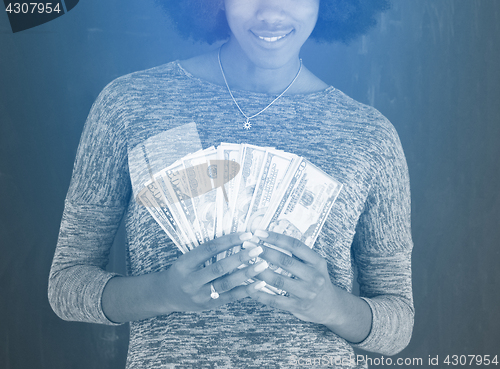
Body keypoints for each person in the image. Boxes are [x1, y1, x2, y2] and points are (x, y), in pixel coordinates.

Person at [48, 0, 414, 367]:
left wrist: (333, 306)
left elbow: (398, 325)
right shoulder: (131, 106)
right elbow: (65, 285)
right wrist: (164, 293)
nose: (271, 12)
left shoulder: (368, 136)